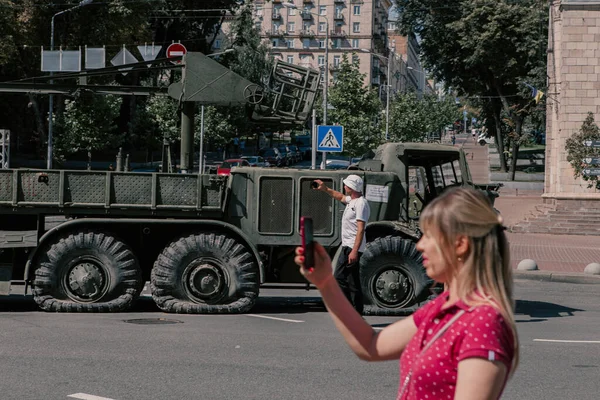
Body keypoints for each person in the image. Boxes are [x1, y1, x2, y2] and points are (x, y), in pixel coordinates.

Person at [295, 187, 519, 400]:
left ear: (460, 244)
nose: (419, 245)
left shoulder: (484, 323)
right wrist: (325, 283)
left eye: (428, 236)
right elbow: (371, 346)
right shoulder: (443, 306)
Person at [313, 174, 370, 314]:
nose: (344, 187)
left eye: (346, 185)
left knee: (339, 277)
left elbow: (361, 229)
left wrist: (354, 251)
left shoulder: (361, 204)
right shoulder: (353, 200)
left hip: (351, 247)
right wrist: (325, 189)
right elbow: (340, 197)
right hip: (348, 246)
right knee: (352, 281)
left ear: (353, 187)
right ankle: (356, 314)